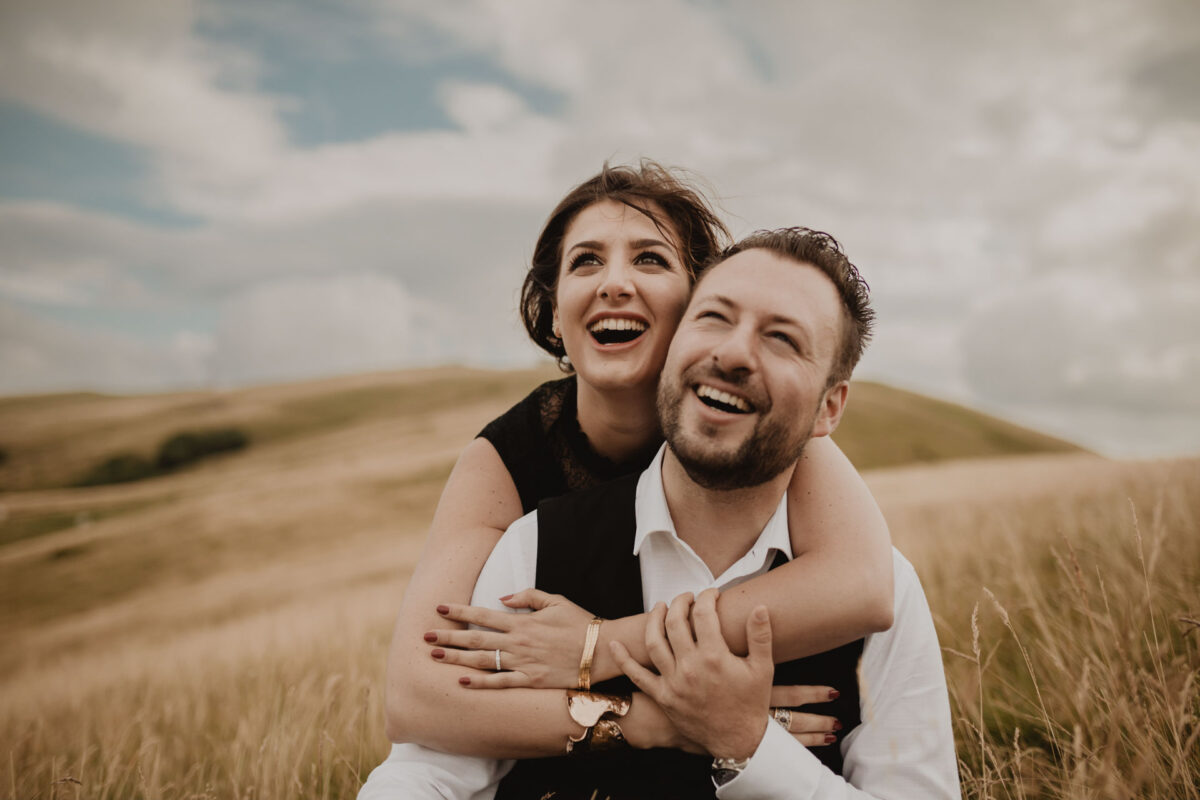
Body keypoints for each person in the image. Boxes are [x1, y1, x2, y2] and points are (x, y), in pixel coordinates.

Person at [362, 228, 959, 799]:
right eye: (714, 316)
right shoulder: (535, 548)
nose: (734, 352)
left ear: (829, 408)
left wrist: (750, 747)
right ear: (671, 344)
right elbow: (429, 774)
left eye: (783, 339)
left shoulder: (883, 589)